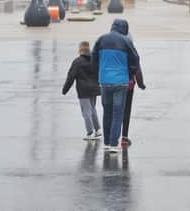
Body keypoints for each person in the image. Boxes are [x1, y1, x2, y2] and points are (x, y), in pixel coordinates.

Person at [92, 19, 140, 154]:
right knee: (118, 113)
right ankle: (114, 144)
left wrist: (100, 72)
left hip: (104, 82)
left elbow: (93, 59)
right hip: (120, 82)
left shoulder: (101, 40)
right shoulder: (126, 41)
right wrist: (129, 73)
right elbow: (135, 60)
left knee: (107, 112)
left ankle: (106, 143)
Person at [62, 41, 101, 140]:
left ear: (80, 50)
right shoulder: (95, 60)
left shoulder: (77, 62)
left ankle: (90, 132)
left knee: (86, 111)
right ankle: (98, 130)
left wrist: (65, 90)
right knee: (92, 109)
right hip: (95, 89)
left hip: (83, 90)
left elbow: (71, 77)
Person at [121, 32, 146, 148]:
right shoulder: (131, 50)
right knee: (126, 111)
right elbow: (137, 68)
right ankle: (124, 137)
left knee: (113, 110)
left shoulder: (110, 46)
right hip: (128, 84)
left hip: (110, 83)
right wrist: (141, 84)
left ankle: (111, 137)